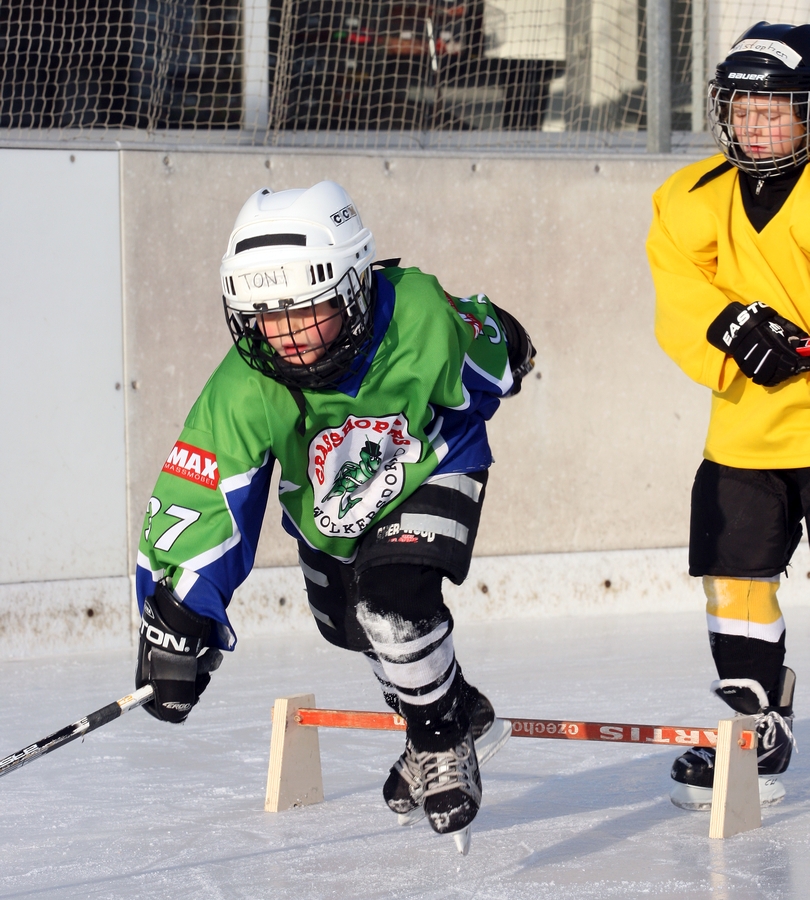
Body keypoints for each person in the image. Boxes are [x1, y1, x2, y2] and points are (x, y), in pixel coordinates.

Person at [134, 180, 535, 852]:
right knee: (351, 631)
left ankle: (438, 743)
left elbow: (493, 352)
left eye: (304, 312)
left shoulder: (417, 317)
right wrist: (178, 618)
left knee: (394, 602)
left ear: (353, 288)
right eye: (265, 318)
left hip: (433, 465)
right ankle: (459, 709)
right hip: (333, 511)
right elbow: (201, 495)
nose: (285, 337)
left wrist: (505, 345)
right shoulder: (243, 387)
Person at [647, 21, 810, 811]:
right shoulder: (689, 196)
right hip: (746, 429)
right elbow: (678, 294)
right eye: (742, 109)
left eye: (774, 109)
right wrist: (728, 329)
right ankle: (754, 725)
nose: (755, 125)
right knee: (735, 580)